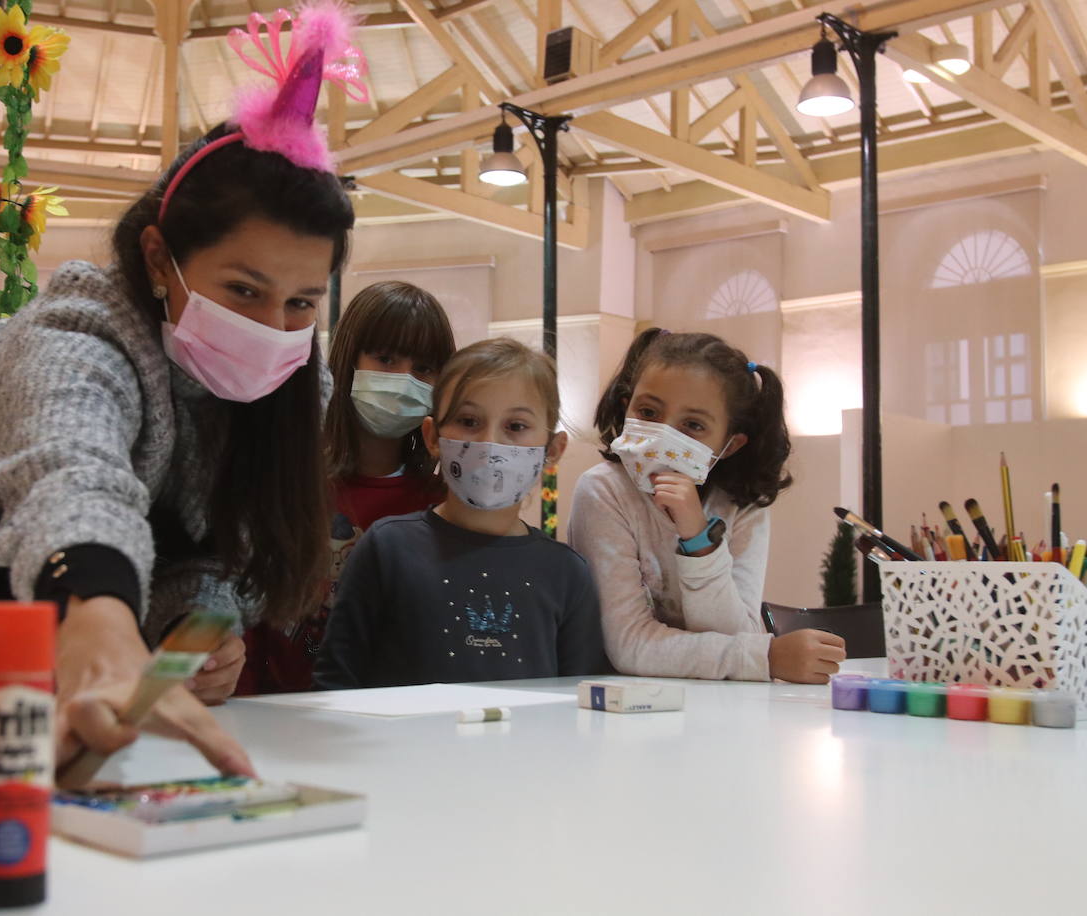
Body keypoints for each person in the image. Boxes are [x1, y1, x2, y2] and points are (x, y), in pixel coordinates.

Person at [0, 3, 365, 777]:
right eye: (244, 289)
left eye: (301, 302)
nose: (273, 327)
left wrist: (199, 632)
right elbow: (72, 477)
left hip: (105, 633)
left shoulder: (297, 384)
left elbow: (220, 544)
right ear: (158, 259)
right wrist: (100, 623)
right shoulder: (74, 337)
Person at [315, 338, 607, 689]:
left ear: (553, 450)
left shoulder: (566, 573)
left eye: (515, 426)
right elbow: (335, 684)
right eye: (469, 421)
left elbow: (580, 700)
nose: (488, 443)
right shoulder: (387, 548)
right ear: (432, 436)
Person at [568, 328, 845, 683]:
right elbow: (629, 643)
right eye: (648, 411)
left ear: (730, 444)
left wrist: (699, 539)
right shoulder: (603, 490)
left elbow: (736, 632)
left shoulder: (742, 505)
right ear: (627, 408)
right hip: (623, 700)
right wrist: (765, 658)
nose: (664, 435)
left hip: (717, 702)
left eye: (693, 425)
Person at [237, 281, 456, 694]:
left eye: (424, 368)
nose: (404, 380)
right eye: (386, 359)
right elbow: (247, 611)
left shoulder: (443, 502)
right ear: (349, 359)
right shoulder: (290, 485)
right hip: (278, 710)